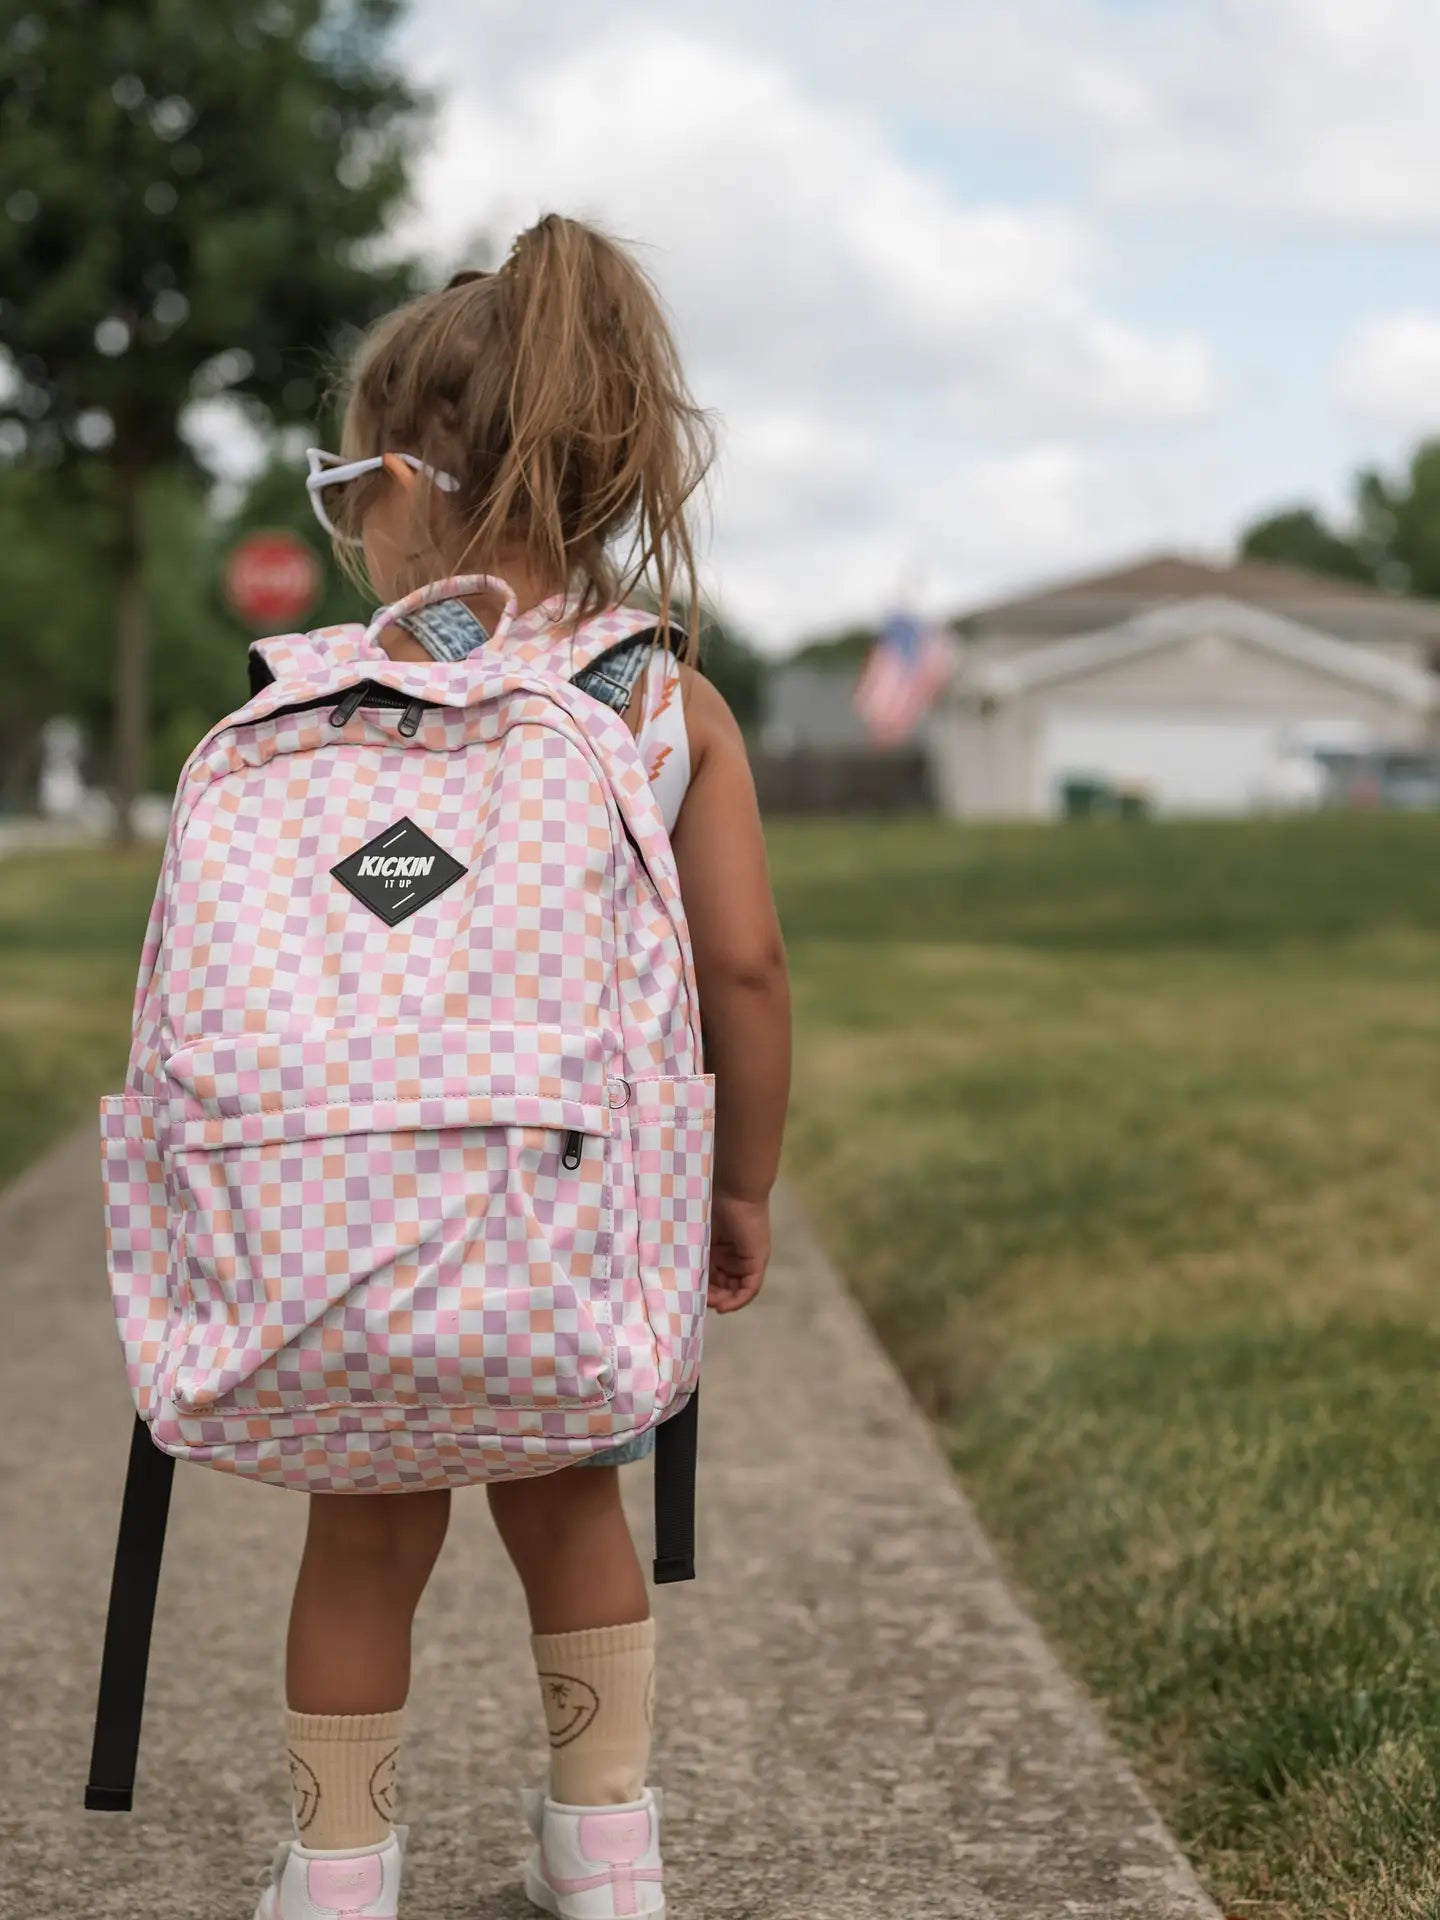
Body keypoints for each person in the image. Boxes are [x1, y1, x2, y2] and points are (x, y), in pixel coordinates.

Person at [258, 214, 791, 1919]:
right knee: (569, 1509)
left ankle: (339, 1876)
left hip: (346, 1226)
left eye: (350, 486)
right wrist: (742, 1183)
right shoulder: (658, 697)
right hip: (560, 1223)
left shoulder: (313, 704)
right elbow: (747, 971)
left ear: (407, 482)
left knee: (362, 1533)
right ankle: (606, 1857)